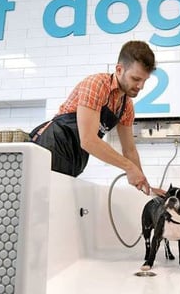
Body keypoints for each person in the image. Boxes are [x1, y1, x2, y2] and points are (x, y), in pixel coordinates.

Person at [30, 40, 163, 196]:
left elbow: (130, 150)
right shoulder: (96, 85)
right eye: (135, 79)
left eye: (144, 80)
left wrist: (146, 187)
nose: (141, 86)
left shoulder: (126, 106)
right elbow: (88, 140)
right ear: (119, 70)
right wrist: (129, 167)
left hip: (75, 159)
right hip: (52, 146)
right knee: (37, 207)